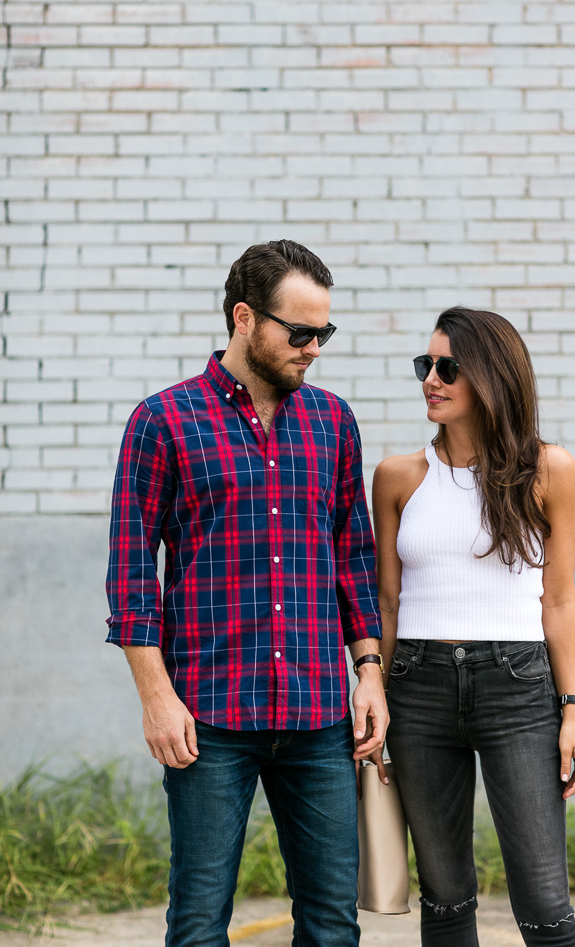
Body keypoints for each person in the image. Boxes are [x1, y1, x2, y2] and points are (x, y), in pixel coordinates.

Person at [105, 239, 388, 947]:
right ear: (244, 318)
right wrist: (155, 696)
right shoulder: (163, 421)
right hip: (209, 719)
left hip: (320, 716)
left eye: (325, 332)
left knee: (331, 923)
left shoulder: (333, 423)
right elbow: (132, 572)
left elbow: (353, 558)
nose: (314, 348)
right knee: (198, 923)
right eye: (300, 332)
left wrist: (370, 673)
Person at [371, 306, 575, 947]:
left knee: (546, 905)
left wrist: (571, 709)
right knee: (443, 900)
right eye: (425, 365)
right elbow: (386, 602)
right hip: (416, 686)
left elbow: (560, 600)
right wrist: (376, 694)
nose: (430, 380)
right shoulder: (396, 477)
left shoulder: (550, 470)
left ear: (492, 379)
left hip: (517, 687)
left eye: (448, 367)